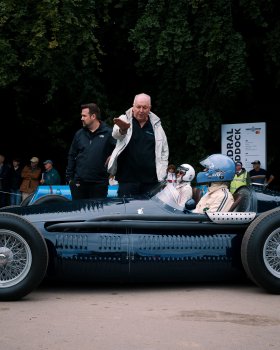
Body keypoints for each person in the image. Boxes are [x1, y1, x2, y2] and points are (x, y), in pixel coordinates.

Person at [107, 93, 169, 196]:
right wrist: (123, 129)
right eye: (138, 107)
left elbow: (164, 150)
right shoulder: (124, 118)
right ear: (133, 106)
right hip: (127, 180)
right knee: (126, 210)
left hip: (151, 181)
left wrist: (162, 172)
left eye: (144, 107)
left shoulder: (156, 125)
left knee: (149, 211)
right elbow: (115, 135)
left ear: (149, 108)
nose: (141, 110)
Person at [66, 103, 116, 200]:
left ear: (93, 116)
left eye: (84, 116)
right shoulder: (79, 134)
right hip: (79, 183)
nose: (81, 118)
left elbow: (121, 148)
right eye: (81, 115)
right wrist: (69, 179)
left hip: (99, 184)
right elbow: (71, 155)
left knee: (97, 214)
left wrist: (114, 155)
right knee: (79, 214)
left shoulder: (109, 133)